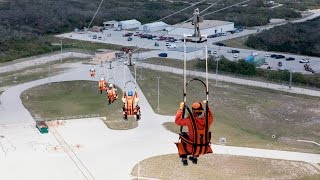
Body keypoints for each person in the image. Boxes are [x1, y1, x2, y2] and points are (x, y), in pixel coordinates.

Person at [175, 101, 214, 166]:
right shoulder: (207, 120)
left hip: (190, 149)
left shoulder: (189, 120)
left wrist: (181, 109)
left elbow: (177, 121)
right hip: (204, 148)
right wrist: (207, 107)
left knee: (183, 135)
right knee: (199, 138)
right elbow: (211, 117)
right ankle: (195, 158)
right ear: (201, 110)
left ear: (193, 111)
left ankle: (184, 159)